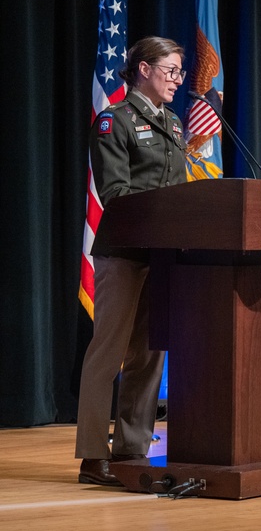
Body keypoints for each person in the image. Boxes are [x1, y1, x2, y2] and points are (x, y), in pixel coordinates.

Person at [76, 37, 189, 485]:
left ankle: (131, 449)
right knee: (108, 354)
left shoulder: (176, 124)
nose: (178, 80)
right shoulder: (114, 122)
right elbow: (116, 194)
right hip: (123, 253)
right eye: (172, 70)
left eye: (180, 72)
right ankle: (91, 456)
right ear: (143, 69)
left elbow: (180, 188)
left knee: (149, 355)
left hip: (161, 255)